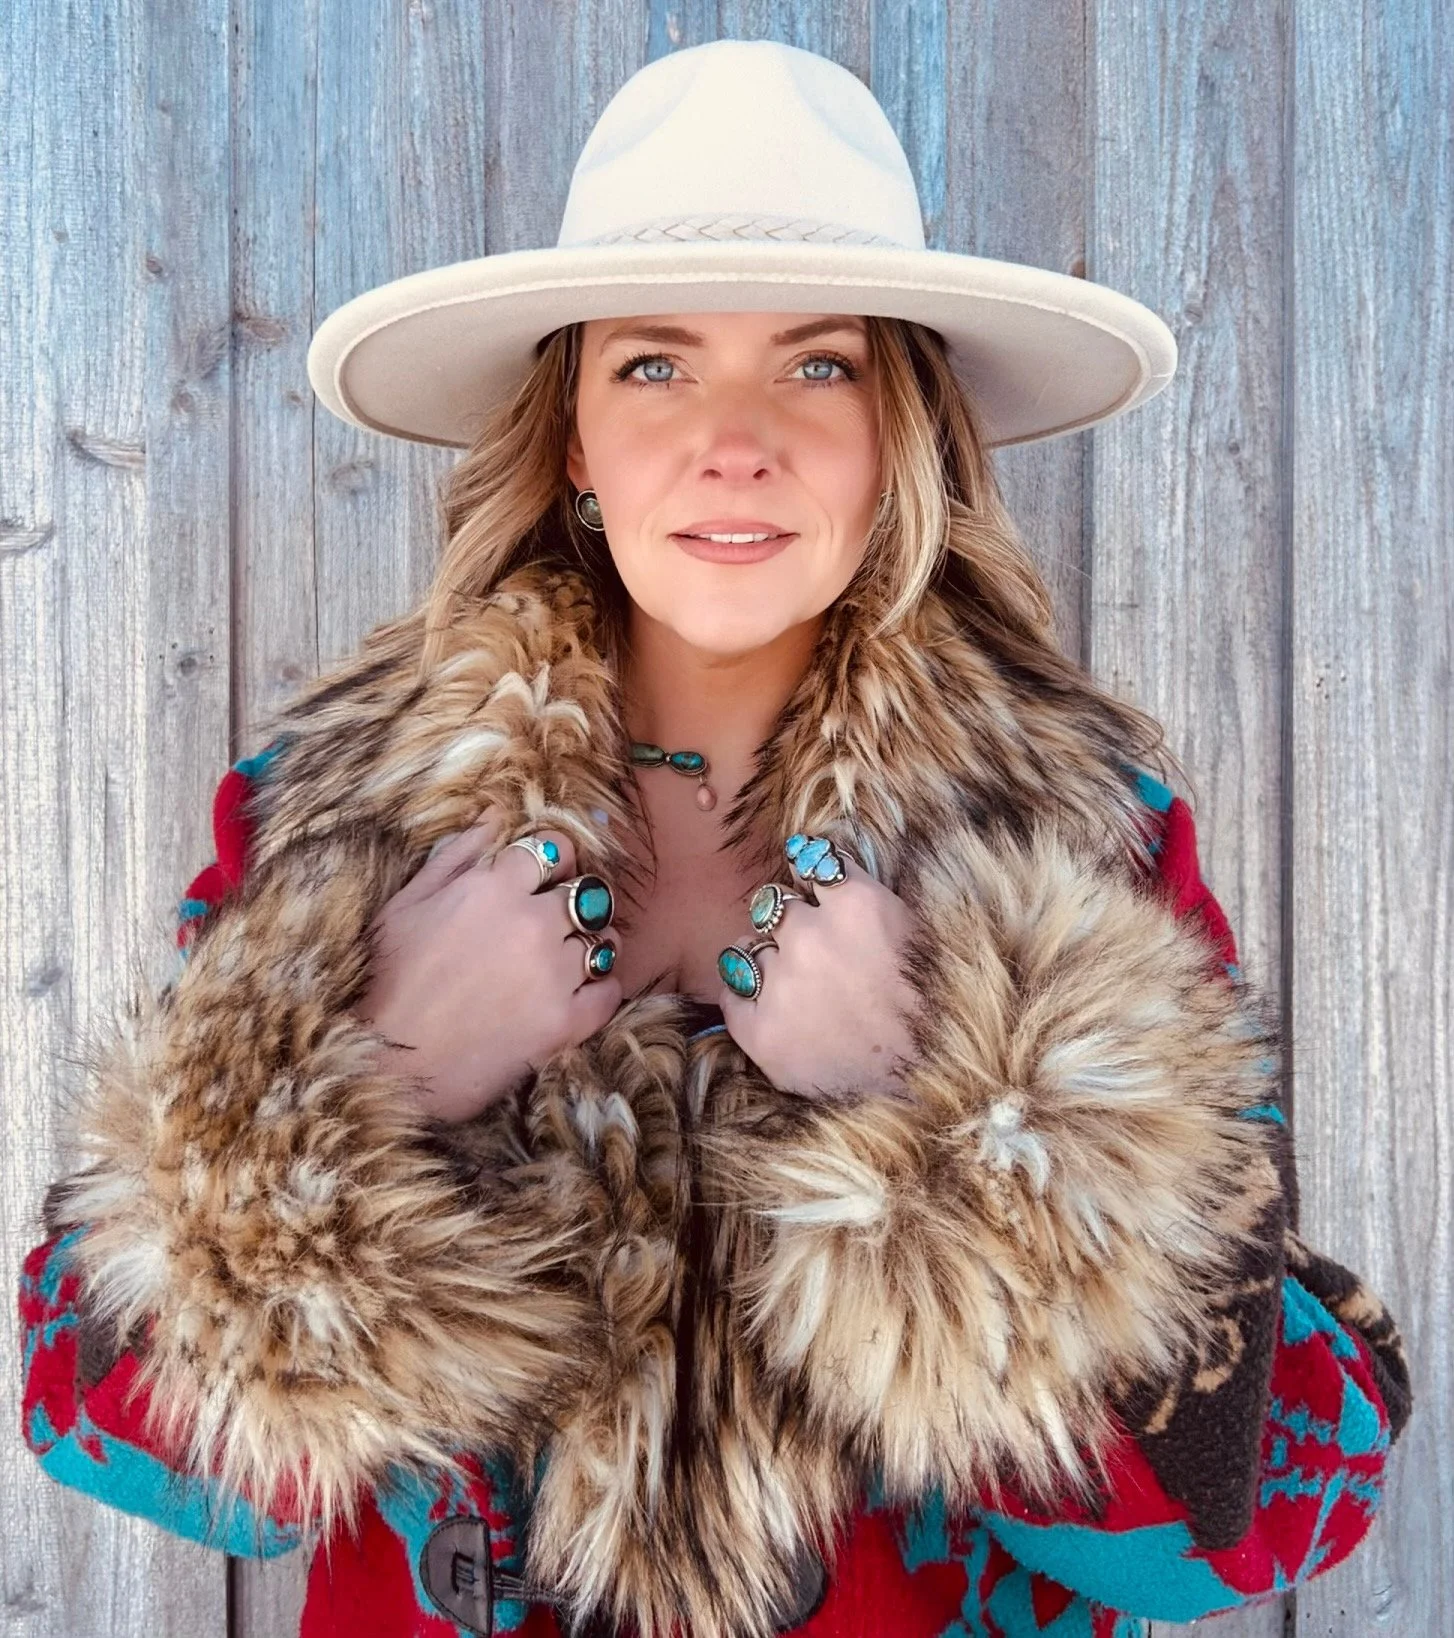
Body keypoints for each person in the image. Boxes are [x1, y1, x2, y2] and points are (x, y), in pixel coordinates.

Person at [19, 38, 1410, 1638]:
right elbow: (96, 1417)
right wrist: (374, 1083)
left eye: (816, 365)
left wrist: (951, 1107)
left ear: (897, 436)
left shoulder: (1076, 837)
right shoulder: (338, 821)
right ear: (571, 447)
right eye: (654, 365)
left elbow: (1241, 1524)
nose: (731, 437)